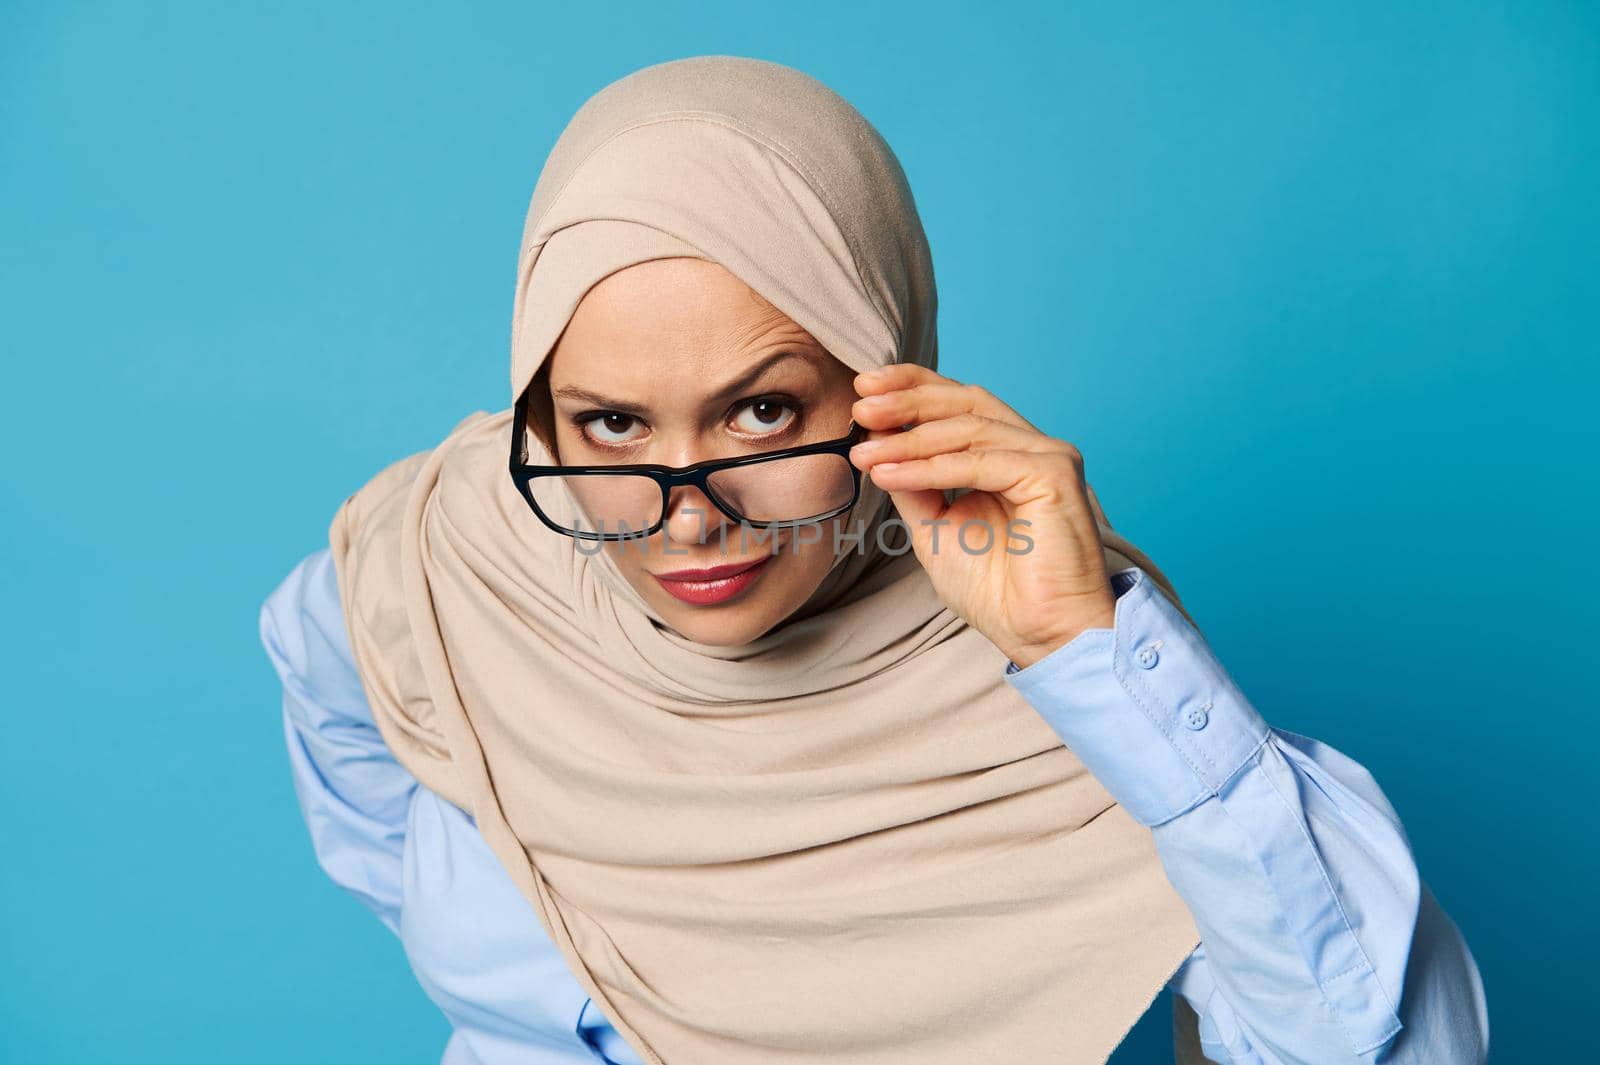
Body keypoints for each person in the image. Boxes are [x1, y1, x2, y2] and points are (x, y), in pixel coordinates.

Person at [258, 56, 1489, 1064]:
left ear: (885, 372)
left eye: (763, 414)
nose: (690, 521)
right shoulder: (463, 553)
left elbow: (1379, 1046)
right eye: (613, 425)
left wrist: (1080, 649)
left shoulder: (1064, 683)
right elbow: (333, 680)